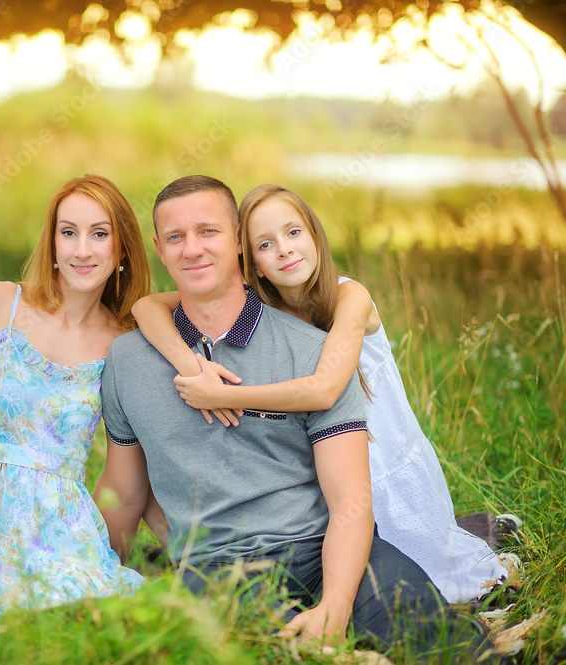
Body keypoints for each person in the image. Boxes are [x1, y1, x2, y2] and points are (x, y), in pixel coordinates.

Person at [95, 175, 492, 657]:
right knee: (278, 648)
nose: (192, 249)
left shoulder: (315, 350)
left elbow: (349, 497)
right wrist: (89, 580)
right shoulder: (129, 361)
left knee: (430, 631)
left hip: (326, 545)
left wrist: (336, 605)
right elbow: (123, 494)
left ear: (239, 241)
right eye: (176, 237)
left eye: (208, 232)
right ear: (160, 248)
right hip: (220, 565)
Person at [0, 174, 158, 620]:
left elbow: (124, 473)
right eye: (68, 232)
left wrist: (111, 551)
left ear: (123, 248)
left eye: (99, 234)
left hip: (59, 521)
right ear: (52, 242)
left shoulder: (125, 345)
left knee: (70, 604)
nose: (82, 250)